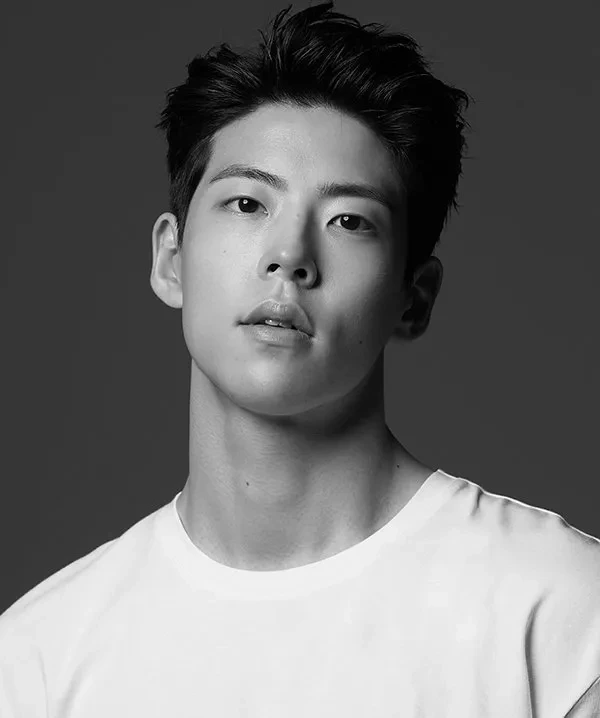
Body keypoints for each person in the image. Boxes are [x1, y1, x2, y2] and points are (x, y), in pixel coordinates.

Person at [1, 2, 599, 715]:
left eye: (349, 220)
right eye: (247, 204)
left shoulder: (561, 614)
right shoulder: (37, 660)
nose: (289, 255)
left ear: (413, 298)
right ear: (171, 260)